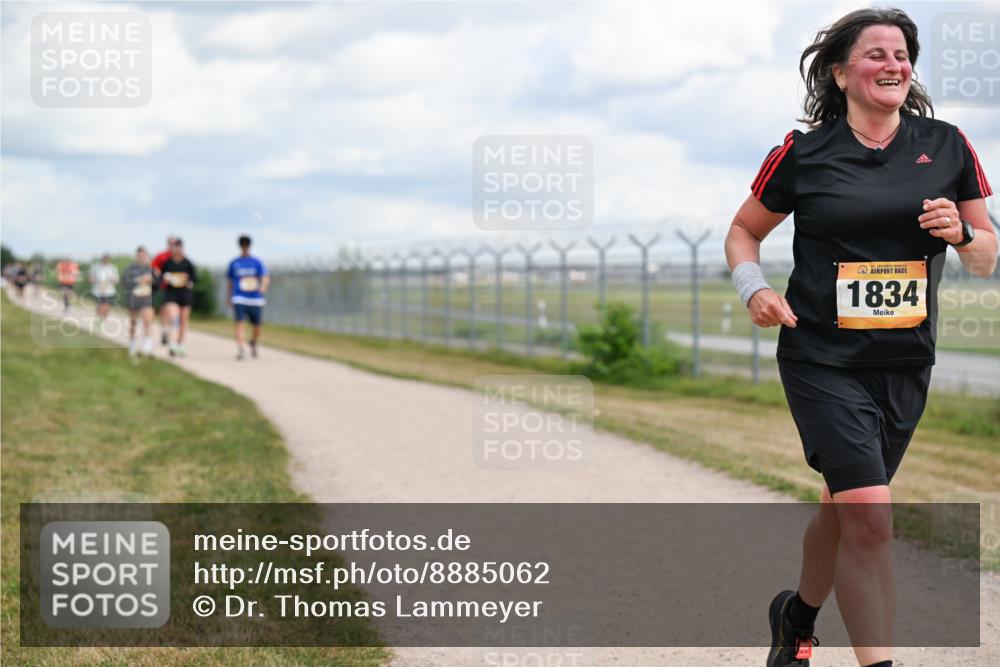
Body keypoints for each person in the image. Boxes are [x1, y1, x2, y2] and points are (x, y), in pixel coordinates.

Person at [723, 8, 996, 667]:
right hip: (821, 357)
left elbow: (987, 254)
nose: (893, 65)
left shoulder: (949, 145)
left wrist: (959, 234)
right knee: (872, 518)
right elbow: (742, 233)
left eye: (901, 54)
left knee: (846, 511)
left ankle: (797, 618)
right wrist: (755, 289)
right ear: (842, 72)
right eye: (875, 54)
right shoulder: (804, 153)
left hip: (902, 361)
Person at [226, 235, 270, 360]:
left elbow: (265, 277)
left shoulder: (256, 262)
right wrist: (229, 297)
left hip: (255, 298)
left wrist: (263, 287)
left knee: (257, 326)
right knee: (240, 323)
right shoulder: (234, 263)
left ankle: (253, 342)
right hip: (239, 297)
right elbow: (229, 282)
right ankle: (241, 349)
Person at [160, 238, 197, 357]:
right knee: (174, 318)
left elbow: (194, 279)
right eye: (174, 247)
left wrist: (188, 280)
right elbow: (161, 278)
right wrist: (166, 278)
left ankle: (180, 344)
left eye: (179, 247)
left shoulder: (188, 263)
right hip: (172, 294)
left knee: (183, 321)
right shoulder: (168, 263)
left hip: (185, 294)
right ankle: (173, 343)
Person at [123, 246, 156, 358]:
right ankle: (132, 345)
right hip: (133, 298)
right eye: (140, 255)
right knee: (134, 322)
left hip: (147, 298)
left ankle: (146, 346)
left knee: (147, 320)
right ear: (136, 256)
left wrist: (152, 279)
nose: (142, 257)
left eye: (144, 255)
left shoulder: (151, 269)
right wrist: (138, 280)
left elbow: (158, 283)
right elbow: (125, 282)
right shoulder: (130, 268)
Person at [152, 236, 178, 346]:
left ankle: (170, 332)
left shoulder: (178, 256)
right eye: (170, 243)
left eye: (174, 243)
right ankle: (164, 331)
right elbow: (154, 267)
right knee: (163, 311)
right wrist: (159, 275)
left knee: (171, 312)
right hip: (163, 287)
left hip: (175, 289)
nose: (172, 245)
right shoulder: (162, 256)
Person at [89, 254, 119, 320]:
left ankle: (103, 318)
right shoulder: (96, 267)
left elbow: (116, 280)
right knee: (99, 306)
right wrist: (93, 280)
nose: (105, 261)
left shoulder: (112, 268)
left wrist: (112, 280)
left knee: (106, 307)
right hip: (98, 290)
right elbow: (91, 278)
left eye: (107, 259)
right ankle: (98, 319)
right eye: (104, 259)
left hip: (109, 290)